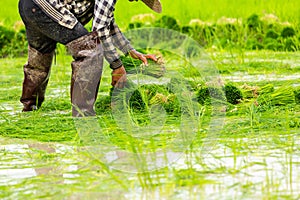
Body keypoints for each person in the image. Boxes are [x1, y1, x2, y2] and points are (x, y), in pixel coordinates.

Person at [18, 0, 162, 117]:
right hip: (46, 6)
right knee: (91, 50)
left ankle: (29, 108)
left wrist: (129, 50)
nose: (134, 0)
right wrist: (117, 66)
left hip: (30, 5)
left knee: (40, 54)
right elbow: (99, 30)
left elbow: (107, 24)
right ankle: (83, 114)